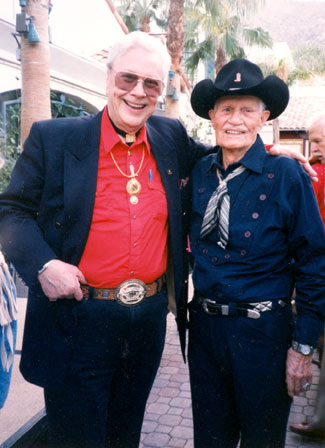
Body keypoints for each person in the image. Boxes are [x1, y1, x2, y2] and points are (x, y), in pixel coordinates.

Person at [0, 32, 315, 447]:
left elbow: (225, 148)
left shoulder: (169, 137)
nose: (138, 92)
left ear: (161, 90)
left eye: (151, 84)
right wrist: (43, 264)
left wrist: (272, 150)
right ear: (108, 76)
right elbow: (11, 210)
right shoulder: (55, 138)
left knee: (125, 435)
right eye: (128, 78)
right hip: (78, 321)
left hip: (146, 322)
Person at [188, 58, 325, 448]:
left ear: (263, 117)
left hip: (265, 335)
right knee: (210, 441)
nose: (235, 120)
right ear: (211, 116)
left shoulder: (289, 176)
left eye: (247, 110)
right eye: (226, 109)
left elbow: (315, 265)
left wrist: (302, 347)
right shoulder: (198, 171)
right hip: (206, 332)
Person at [290, 115, 325, 439]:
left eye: (322, 141)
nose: (317, 148)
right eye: (314, 141)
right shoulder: (311, 173)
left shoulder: (314, 174)